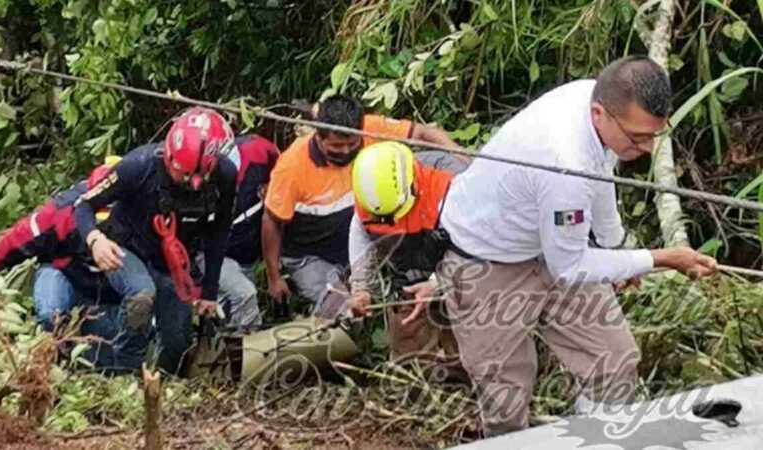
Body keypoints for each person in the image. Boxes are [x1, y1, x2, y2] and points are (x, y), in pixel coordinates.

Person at [435, 55, 718, 436]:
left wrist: (617, 249)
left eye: (655, 135)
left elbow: (601, 179)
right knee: (506, 390)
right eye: (638, 137)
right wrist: (658, 259)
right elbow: (569, 265)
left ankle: (591, 440)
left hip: (551, 244)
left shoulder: (596, 105)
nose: (648, 147)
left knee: (613, 361)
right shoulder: (564, 159)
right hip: (487, 261)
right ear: (600, 112)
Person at [262, 94, 462, 314]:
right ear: (319, 138)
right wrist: (274, 277)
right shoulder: (291, 167)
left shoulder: (370, 130)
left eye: (352, 144)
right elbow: (271, 221)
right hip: (310, 255)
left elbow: (424, 133)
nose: (346, 152)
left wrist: (471, 163)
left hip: (363, 235)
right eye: (337, 146)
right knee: (341, 309)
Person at [74, 107, 237, 375]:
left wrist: (209, 292)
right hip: (126, 248)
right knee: (142, 294)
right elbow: (82, 205)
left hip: (172, 261)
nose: (183, 181)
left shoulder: (225, 176)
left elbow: (218, 233)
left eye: (190, 177)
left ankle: (159, 385)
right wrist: (95, 240)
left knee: (177, 344)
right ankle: (121, 375)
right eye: (178, 172)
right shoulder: (139, 165)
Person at [0, 158, 125, 367]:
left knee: (107, 359)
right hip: (65, 276)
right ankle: (52, 352)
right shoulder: (62, 211)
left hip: (109, 294)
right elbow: (17, 238)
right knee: (50, 310)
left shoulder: (145, 213)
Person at [347, 142, 467, 362]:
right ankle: (414, 383)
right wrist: (362, 287)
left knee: (467, 339)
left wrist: (438, 283)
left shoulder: (453, 184)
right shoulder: (369, 194)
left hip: (457, 260)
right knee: (407, 343)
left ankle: (465, 382)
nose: (394, 220)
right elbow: (361, 232)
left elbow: (475, 245)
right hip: (408, 266)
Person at [216, 133, 280, 333]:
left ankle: (235, 351)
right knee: (244, 294)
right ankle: (249, 356)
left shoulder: (258, 150)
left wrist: (273, 186)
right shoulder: (187, 177)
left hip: (247, 253)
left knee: (237, 313)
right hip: (208, 255)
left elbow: (284, 172)